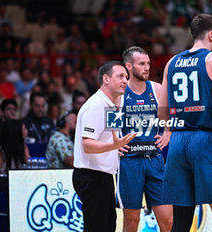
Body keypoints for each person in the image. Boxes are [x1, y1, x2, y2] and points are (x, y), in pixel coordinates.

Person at [159, 14, 212, 232]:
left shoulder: (171, 62)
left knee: (181, 221)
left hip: (178, 143)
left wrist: (168, 131)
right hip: (206, 140)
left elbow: (163, 107)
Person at [72, 61, 136, 232]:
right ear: (106, 79)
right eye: (120, 76)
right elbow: (87, 144)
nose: (125, 81)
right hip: (90, 175)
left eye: (126, 77)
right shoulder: (95, 106)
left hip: (105, 175)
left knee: (108, 227)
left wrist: (116, 147)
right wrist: (113, 145)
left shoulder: (116, 101)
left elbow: (109, 135)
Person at [118, 46, 172, 232]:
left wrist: (167, 132)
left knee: (168, 219)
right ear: (129, 67)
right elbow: (110, 125)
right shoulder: (120, 93)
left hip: (155, 160)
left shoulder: (157, 89)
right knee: (132, 220)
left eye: (148, 63)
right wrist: (113, 144)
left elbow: (173, 112)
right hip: (130, 162)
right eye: (142, 64)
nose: (147, 67)